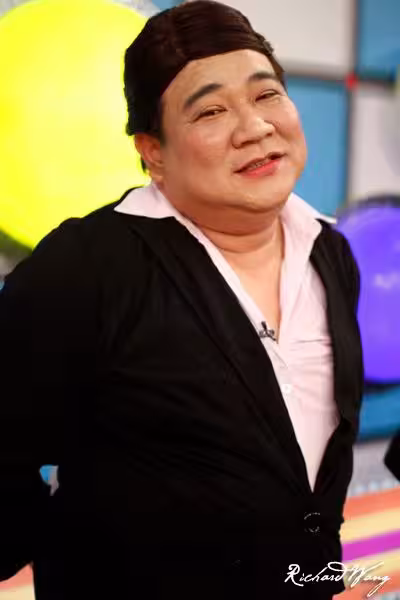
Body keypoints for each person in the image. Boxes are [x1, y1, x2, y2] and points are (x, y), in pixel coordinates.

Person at [0, 2, 364, 598]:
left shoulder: (331, 251)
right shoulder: (91, 265)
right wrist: (72, 549)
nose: (255, 127)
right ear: (153, 151)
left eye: (267, 94)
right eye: (211, 110)